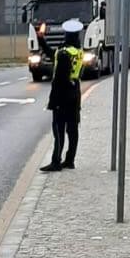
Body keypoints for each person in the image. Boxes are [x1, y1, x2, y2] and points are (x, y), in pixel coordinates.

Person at [40, 18, 84, 172]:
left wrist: (54, 102)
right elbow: (51, 53)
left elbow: (60, 79)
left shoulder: (64, 54)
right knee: (73, 129)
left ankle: (56, 161)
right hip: (75, 94)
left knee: (58, 129)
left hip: (63, 96)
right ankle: (70, 159)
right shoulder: (78, 52)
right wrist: (41, 40)